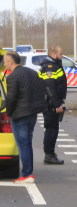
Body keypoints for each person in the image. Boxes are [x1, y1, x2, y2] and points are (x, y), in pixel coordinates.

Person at [4, 51, 47, 183]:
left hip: (20, 115)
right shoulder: (32, 73)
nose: (4, 64)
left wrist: (9, 114)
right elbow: (41, 90)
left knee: (23, 145)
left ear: (11, 62)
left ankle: (27, 175)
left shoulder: (12, 77)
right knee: (27, 144)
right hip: (32, 115)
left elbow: (10, 99)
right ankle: (29, 173)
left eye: (5, 62)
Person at [39, 46, 67, 165]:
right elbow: (49, 88)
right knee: (51, 129)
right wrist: (56, 104)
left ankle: (50, 153)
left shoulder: (55, 66)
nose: (62, 56)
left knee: (53, 128)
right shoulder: (49, 68)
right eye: (60, 54)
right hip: (50, 104)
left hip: (53, 103)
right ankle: (49, 155)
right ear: (54, 55)